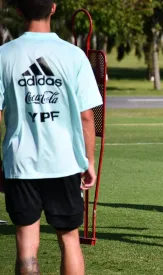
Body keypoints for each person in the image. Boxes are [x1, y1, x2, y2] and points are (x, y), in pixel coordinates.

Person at [0, 0, 102, 273]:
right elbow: (86, 117)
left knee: (26, 241)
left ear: (19, 11)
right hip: (65, 162)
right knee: (69, 240)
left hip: (20, 164)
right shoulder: (73, 55)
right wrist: (88, 161)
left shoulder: (3, 55)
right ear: (53, 8)